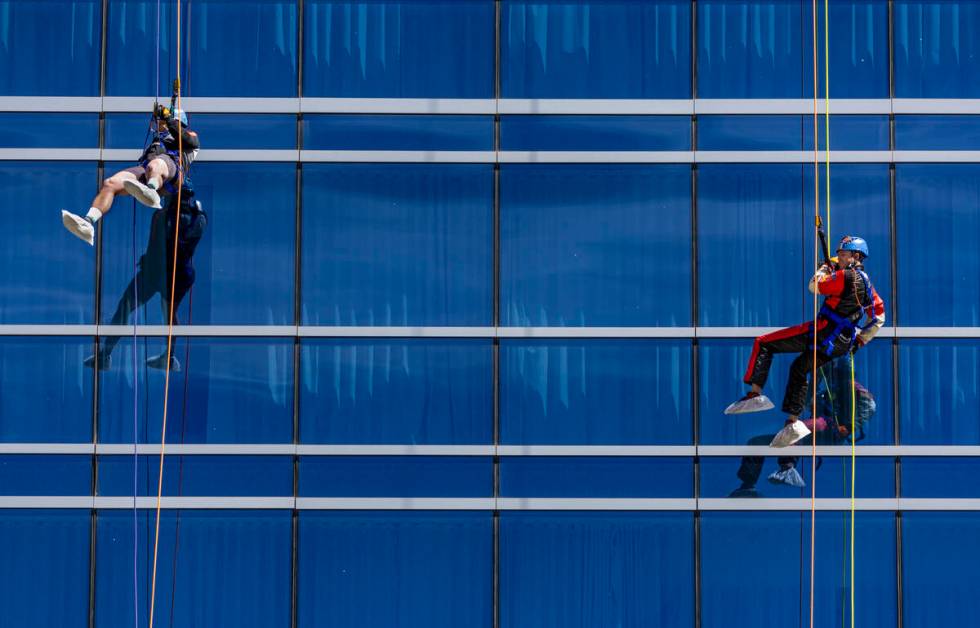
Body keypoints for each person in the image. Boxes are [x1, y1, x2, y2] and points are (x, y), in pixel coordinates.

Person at [724, 235, 886, 448]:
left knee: (764, 342)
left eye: (843, 254)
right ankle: (793, 423)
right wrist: (859, 341)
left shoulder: (845, 276)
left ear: (856, 256)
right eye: (838, 255)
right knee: (799, 368)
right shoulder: (867, 283)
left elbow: (815, 286)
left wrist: (824, 269)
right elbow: (878, 318)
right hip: (840, 343)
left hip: (823, 331)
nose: (840, 258)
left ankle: (755, 393)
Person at [85, 179, 207, 372]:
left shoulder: (167, 215)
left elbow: (168, 246)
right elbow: (167, 245)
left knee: (127, 308)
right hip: (171, 272)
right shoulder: (194, 217)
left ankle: (107, 354)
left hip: (161, 272)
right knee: (165, 314)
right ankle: (166, 356)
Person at [729, 355, 877, 497]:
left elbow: (869, 406)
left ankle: (787, 467)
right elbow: (806, 404)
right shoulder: (826, 393)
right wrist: (814, 381)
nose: (832, 378)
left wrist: (850, 427)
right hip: (813, 434)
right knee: (756, 442)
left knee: (795, 428)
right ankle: (747, 485)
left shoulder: (853, 388)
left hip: (831, 431)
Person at [62, 104, 199, 246]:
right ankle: (88, 222)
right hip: (149, 170)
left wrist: (169, 119)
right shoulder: (159, 140)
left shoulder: (189, 136)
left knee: (156, 165)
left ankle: (151, 191)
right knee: (111, 183)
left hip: (172, 172)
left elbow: (188, 140)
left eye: (162, 123)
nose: (158, 126)